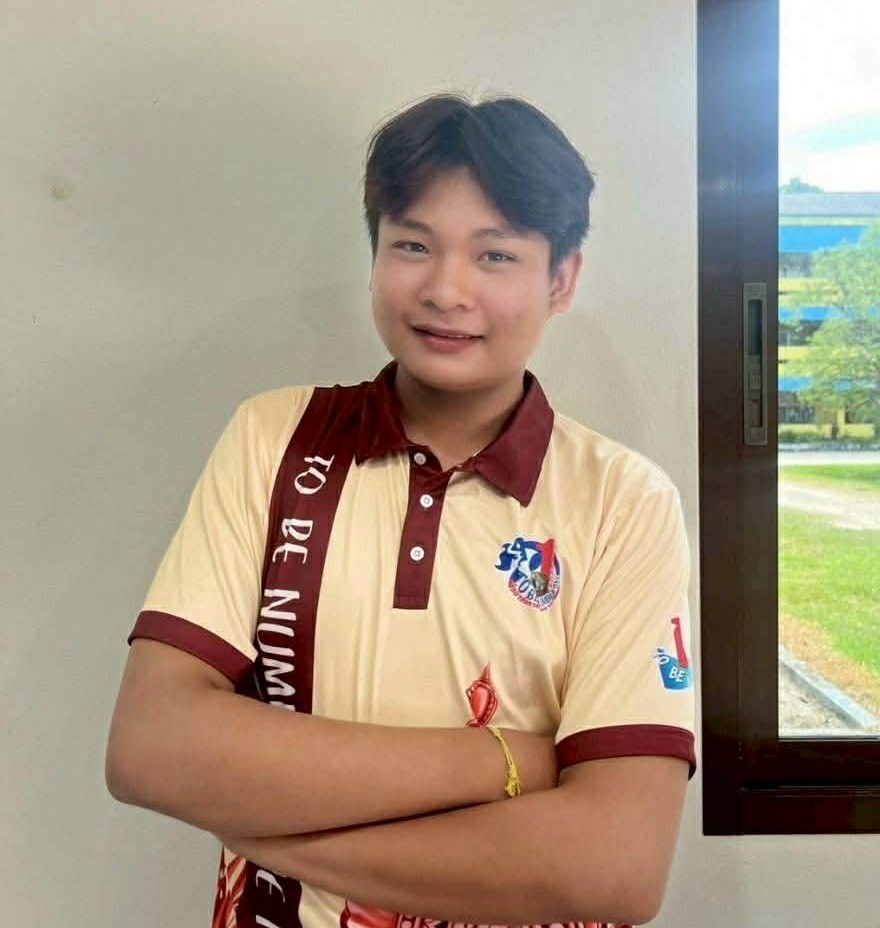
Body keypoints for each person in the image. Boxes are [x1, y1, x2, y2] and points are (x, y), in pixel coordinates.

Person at [105, 92, 696, 928]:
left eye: (495, 255)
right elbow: (151, 747)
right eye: (413, 245)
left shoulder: (624, 503)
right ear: (375, 254)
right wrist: (510, 760)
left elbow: (613, 866)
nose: (446, 290)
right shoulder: (275, 438)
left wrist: (274, 834)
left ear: (561, 278)